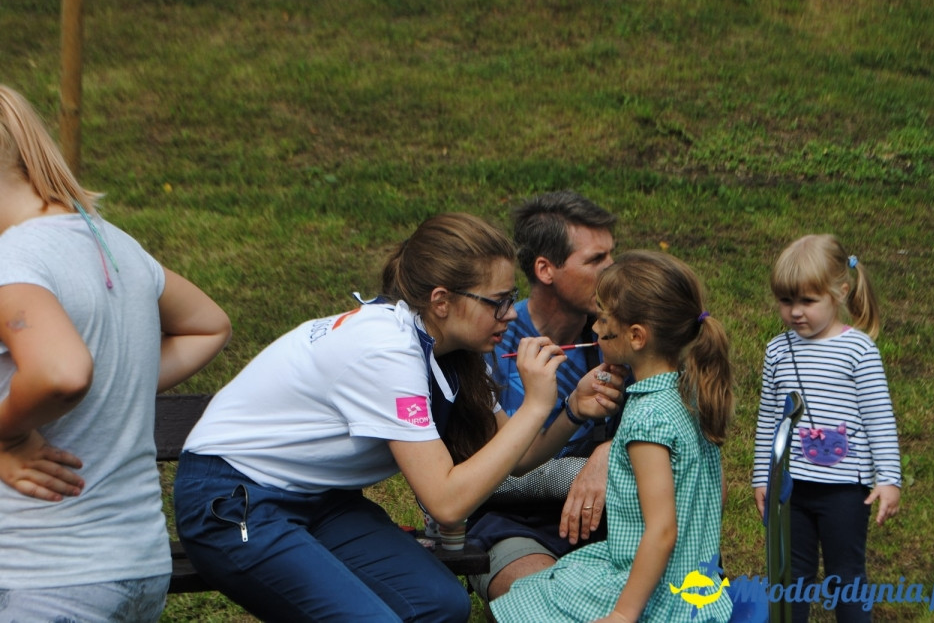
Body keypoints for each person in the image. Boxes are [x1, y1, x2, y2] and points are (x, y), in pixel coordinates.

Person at [173, 212, 624, 623]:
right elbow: (446, 502)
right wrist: (537, 405)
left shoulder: (453, 349)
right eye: (497, 302)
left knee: (440, 603)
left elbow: (516, 458)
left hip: (320, 499)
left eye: (511, 299)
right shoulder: (387, 351)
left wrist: (568, 410)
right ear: (442, 300)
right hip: (234, 498)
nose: (510, 314)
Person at [0, 85, 232, 621]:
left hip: (45, 577)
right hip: (135, 566)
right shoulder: (112, 243)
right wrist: (114, 381)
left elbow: (61, 372)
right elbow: (207, 326)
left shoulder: (14, 261)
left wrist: (7, 430)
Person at [490, 250, 734, 623]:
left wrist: (623, 613)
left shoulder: (645, 420)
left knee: (527, 602)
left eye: (603, 318)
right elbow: (707, 500)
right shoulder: (689, 395)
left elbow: (662, 530)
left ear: (636, 336)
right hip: (698, 585)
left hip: (661, 599)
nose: (594, 329)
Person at [466, 190, 622, 607]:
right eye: (595, 260)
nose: (612, 272)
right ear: (545, 269)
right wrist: (579, 470)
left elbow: (669, 420)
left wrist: (610, 450)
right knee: (543, 605)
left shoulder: (617, 337)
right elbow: (489, 476)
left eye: (612, 256)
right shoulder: (490, 343)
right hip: (509, 521)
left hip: (604, 512)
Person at [751, 234, 901, 623]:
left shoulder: (859, 350)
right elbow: (769, 418)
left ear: (840, 292)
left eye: (807, 301)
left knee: (845, 576)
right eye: (786, 301)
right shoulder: (776, 351)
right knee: (791, 575)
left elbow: (878, 418)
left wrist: (889, 479)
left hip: (845, 491)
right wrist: (762, 477)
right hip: (790, 489)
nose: (795, 312)